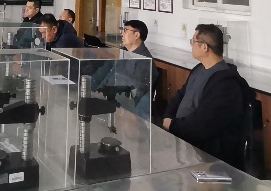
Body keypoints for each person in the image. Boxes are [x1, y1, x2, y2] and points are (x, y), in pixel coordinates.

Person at [162, 24, 254, 169]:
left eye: (193, 41)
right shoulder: (199, 69)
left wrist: (172, 125)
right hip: (185, 143)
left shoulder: (225, 84)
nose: (191, 45)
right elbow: (180, 95)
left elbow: (203, 124)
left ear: (204, 47)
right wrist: (168, 117)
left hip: (209, 159)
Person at [89, 20, 158, 119]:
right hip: (108, 98)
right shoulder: (123, 53)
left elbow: (135, 91)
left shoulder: (145, 61)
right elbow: (109, 74)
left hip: (124, 109)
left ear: (136, 35)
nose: (122, 34)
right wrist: (97, 90)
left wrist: (105, 95)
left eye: (126, 30)